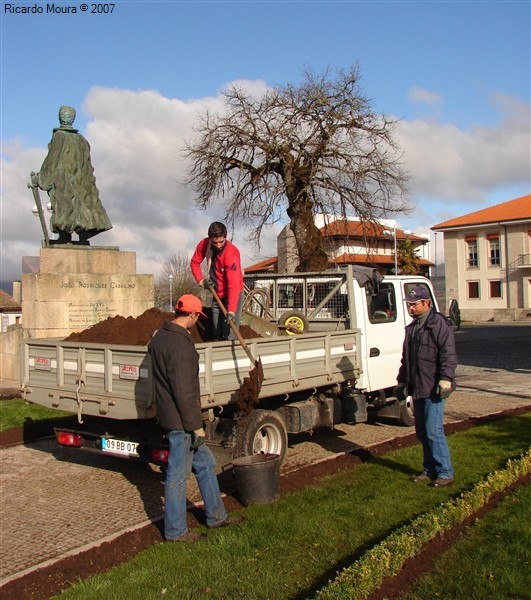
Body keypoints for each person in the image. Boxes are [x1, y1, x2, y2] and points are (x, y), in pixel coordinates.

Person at [148, 294, 240, 541]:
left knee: (206, 464)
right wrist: (195, 427)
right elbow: (185, 392)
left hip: (170, 415)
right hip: (182, 422)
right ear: (191, 315)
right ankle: (176, 531)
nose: (197, 321)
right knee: (178, 474)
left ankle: (216, 517)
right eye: (197, 316)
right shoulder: (182, 346)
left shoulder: (159, 338)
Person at [396, 286, 457, 487]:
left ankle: (445, 472)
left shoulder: (438, 324)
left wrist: (445, 379)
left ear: (426, 303)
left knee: (433, 431)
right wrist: (402, 381)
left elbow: (448, 354)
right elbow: (407, 359)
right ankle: (430, 469)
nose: (410, 308)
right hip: (417, 387)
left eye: (414, 304)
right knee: (422, 432)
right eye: (409, 304)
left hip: (433, 387)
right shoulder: (412, 328)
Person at [38, 105, 112, 244]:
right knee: (81, 204)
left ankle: (65, 236)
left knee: (64, 205)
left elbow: (51, 161)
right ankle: (83, 234)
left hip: (64, 180)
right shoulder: (82, 140)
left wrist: (42, 178)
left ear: (60, 118)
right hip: (82, 181)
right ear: (73, 119)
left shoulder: (59, 137)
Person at [190, 221, 244, 341]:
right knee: (217, 331)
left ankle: (231, 355)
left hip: (233, 295)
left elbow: (233, 285)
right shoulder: (204, 244)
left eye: (221, 242)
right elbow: (194, 262)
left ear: (226, 237)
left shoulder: (231, 254)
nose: (218, 245)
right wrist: (201, 281)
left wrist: (231, 310)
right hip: (216, 293)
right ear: (210, 239)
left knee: (230, 332)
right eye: (215, 242)